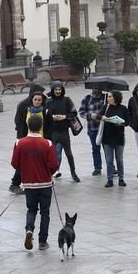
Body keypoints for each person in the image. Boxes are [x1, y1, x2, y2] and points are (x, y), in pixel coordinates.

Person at [11, 114, 60, 251]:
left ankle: (29, 230)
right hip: (45, 183)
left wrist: (25, 169)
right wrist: (49, 172)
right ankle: (43, 241)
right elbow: (54, 164)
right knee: (45, 212)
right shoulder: (48, 143)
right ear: (40, 127)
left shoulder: (19, 143)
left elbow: (15, 163)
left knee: (31, 209)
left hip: (29, 183)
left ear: (28, 126)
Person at [10, 84, 46, 194]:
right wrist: (23, 136)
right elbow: (18, 121)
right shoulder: (23, 105)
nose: (40, 97)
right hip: (25, 137)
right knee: (23, 162)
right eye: (39, 93)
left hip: (39, 137)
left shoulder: (42, 103)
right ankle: (15, 184)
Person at [45, 81, 80, 182]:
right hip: (53, 132)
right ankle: (52, 172)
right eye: (56, 89)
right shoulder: (48, 101)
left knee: (69, 153)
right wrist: (52, 117)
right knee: (54, 154)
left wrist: (65, 116)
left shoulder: (67, 100)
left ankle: (73, 173)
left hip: (64, 131)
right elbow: (45, 114)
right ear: (52, 90)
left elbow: (74, 113)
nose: (58, 91)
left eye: (59, 89)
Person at [97, 90, 129, 188]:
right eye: (108, 96)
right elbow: (97, 115)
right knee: (109, 160)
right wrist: (102, 117)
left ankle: (121, 179)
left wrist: (120, 123)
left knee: (119, 159)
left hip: (119, 137)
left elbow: (127, 122)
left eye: (110, 97)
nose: (108, 98)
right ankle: (110, 179)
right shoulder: (105, 107)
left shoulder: (123, 108)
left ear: (115, 98)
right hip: (107, 138)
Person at [78, 86, 105, 176]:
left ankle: (111, 167)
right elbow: (81, 112)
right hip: (92, 128)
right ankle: (97, 168)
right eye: (95, 88)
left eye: (98, 88)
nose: (97, 89)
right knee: (95, 148)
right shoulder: (87, 98)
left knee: (107, 149)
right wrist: (90, 115)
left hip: (105, 128)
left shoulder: (106, 98)